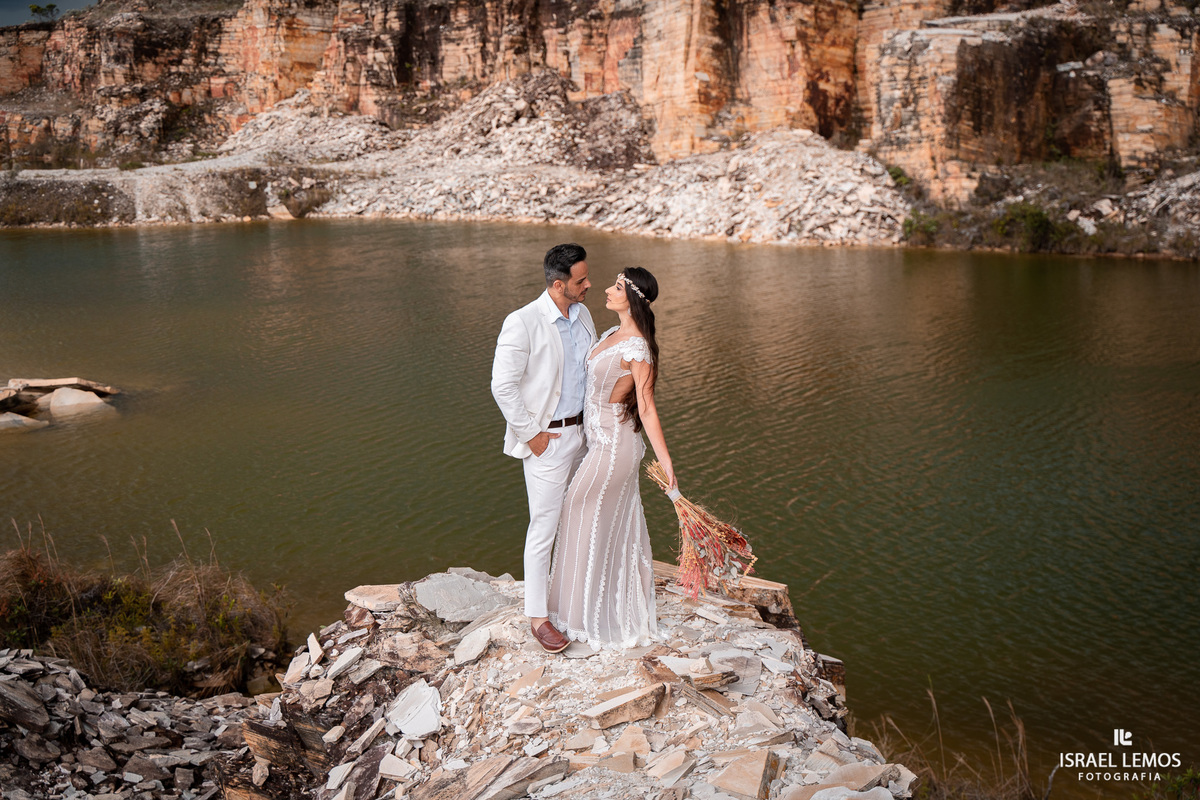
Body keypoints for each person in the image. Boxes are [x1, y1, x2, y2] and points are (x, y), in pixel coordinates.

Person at [546, 266, 675, 648]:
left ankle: (588, 617)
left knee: (578, 511)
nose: (606, 289)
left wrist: (667, 462)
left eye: (616, 287)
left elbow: (647, 408)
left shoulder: (638, 347)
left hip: (617, 446)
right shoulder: (610, 334)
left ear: (632, 296)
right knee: (590, 519)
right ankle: (574, 612)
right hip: (596, 442)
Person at [491, 243, 597, 653]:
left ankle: (573, 600)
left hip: (585, 437)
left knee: (581, 519)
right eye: (581, 280)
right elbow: (502, 385)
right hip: (547, 441)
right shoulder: (522, 322)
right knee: (544, 527)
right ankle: (538, 617)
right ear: (558, 285)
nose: (588, 285)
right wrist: (531, 435)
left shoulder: (584, 314)